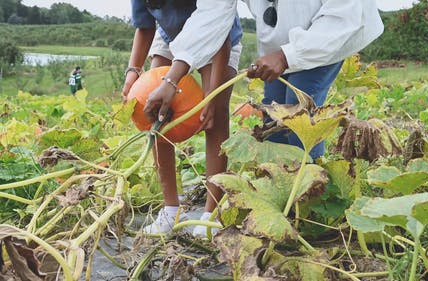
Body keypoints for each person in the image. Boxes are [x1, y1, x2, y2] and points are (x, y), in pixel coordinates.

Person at [144, 0, 384, 160]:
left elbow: (343, 18)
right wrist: (171, 79)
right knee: (274, 118)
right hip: (278, 41)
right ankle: (281, 190)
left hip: (326, 37)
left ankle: (309, 197)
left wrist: (286, 56)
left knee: (299, 115)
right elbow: (211, 15)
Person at [121, 0, 242, 237]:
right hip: (170, 36)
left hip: (217, 33)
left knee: (214, 117)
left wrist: (211, 96)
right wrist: (133, 71)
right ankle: (170, 209)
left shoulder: (215, 20)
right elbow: (145, 27)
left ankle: (211, 214)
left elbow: (218, 29)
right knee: (153, 111)